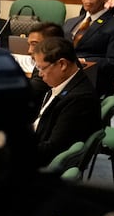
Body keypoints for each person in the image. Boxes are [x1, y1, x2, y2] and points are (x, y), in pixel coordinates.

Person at [31, 36, 102, 166]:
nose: (40, 74)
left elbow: (53, 149)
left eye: (42, 68)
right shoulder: (63, 83)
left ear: (62, 64)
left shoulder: (80, 100)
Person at [66, 0, 114, 98]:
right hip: (64, 76)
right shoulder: (70, 23)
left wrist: (84, 61)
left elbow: (113, 62)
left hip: (92, 80)